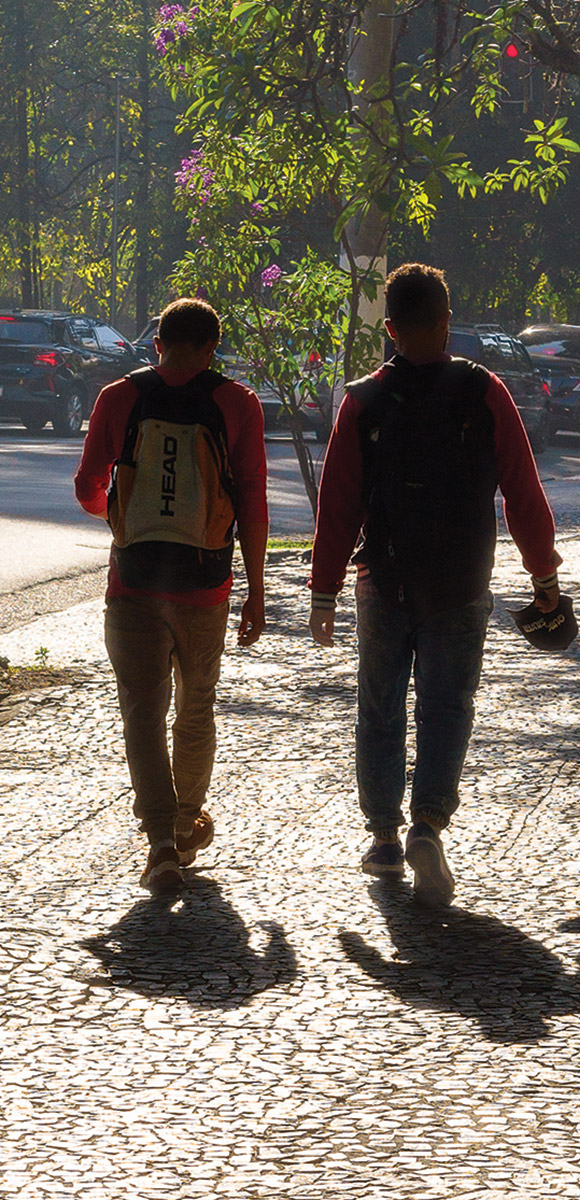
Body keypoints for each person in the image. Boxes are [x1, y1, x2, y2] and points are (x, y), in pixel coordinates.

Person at [306, 263, 562, 906]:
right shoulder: (483, 392)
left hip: (383, 580)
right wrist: (543, 575)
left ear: (389, 329)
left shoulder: (362, 402)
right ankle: (428, 824)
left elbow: (337, 506)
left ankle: (385, 836)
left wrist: (323, 591)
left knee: (380, 708)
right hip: (462, 581)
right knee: (448, 707)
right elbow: (522, 490)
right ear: (448, 322)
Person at [72, 298, 268, 892]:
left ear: (157, 342)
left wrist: (121, 516)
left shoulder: (118, 397)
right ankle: (186, 823)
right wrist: (256, 588)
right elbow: (253, 503)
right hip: (205, 587)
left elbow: (87, 487)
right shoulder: (237, 403)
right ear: (211, 348)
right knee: (196, 705)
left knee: (141, 710)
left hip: (131, 581)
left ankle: (157, 839)